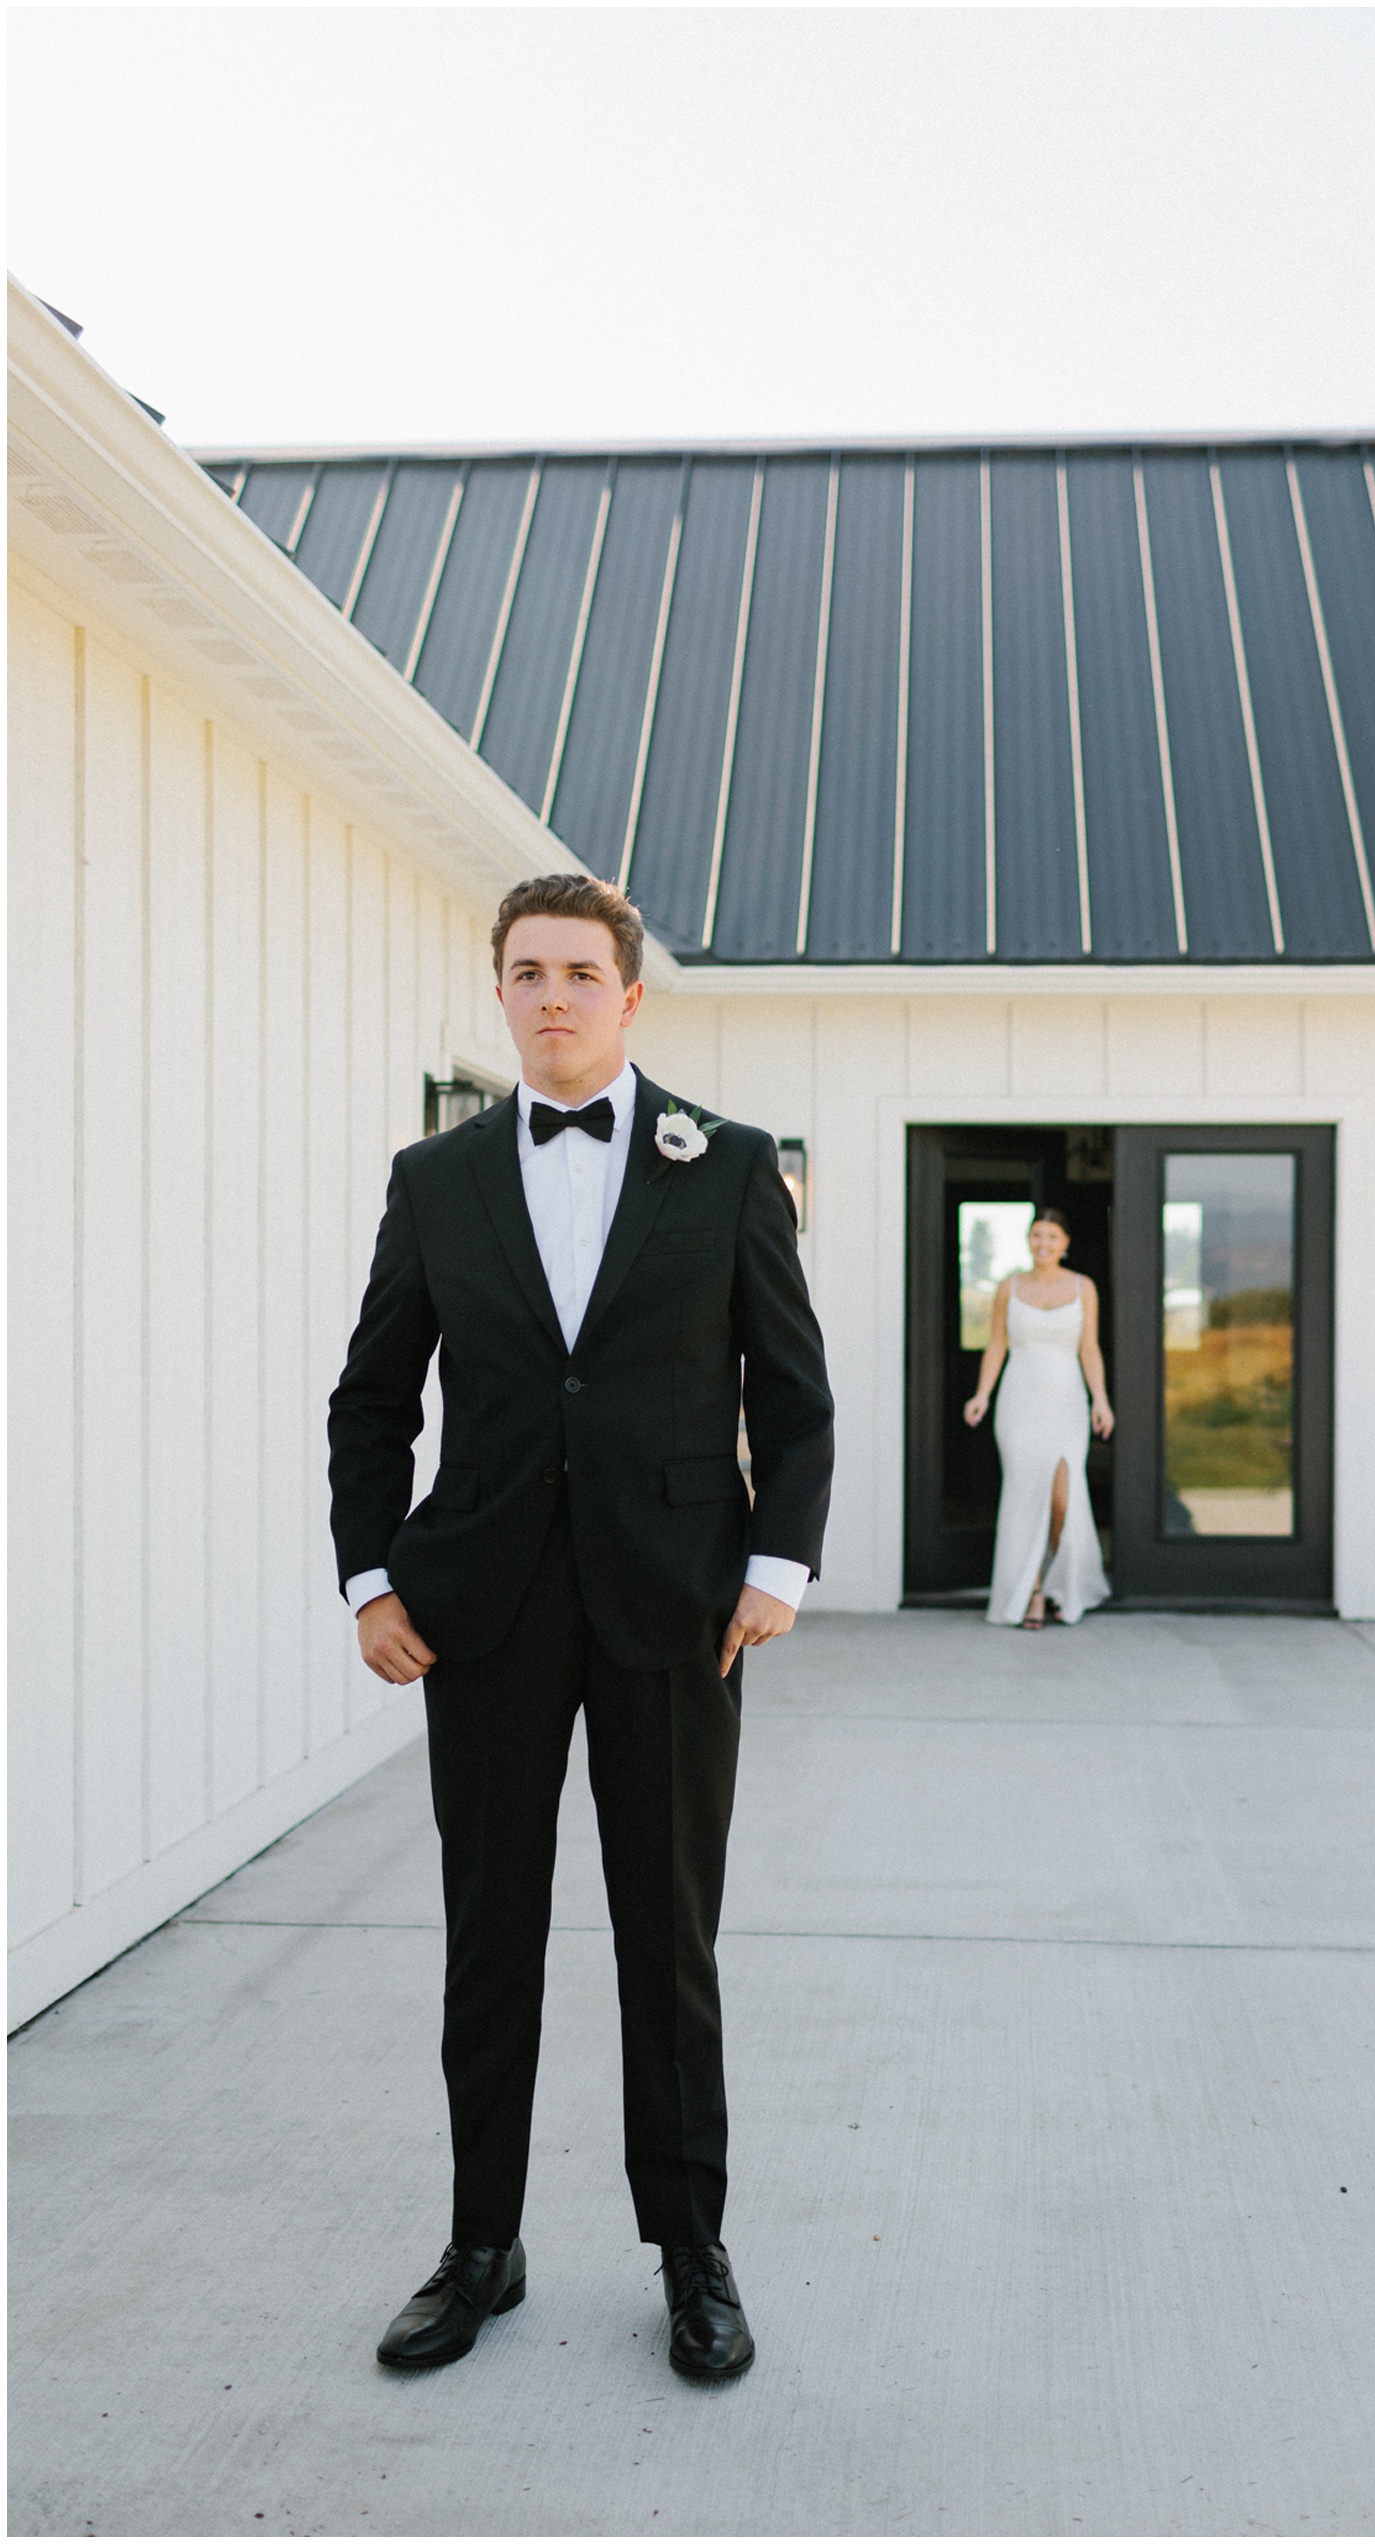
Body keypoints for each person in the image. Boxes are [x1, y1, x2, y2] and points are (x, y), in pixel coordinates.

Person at [328, 871, 833, 2382]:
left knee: (666, 1938)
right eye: (526, 971)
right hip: (476, 1611)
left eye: (578, 971)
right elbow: (371, 1401)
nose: (552, 994)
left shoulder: (730, 1166)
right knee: (490, 1936)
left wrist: (776, 1571)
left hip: (677, 1606)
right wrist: (372, 1579)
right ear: (501, 992)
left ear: (628, 996)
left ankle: (693, 2252)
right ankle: (483, 2244)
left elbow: (795, 1404)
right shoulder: (438, 1181)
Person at [964, 1209, 1112, 1628]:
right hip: (1018, 1402)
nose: (1042, 1243)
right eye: (1036, 1235)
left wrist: (1100, 1399)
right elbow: (996, 1345)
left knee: (1064, 1498)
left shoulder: (1084, 1288)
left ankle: (1061, 1581)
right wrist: (982, 1394)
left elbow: (1089, 1349)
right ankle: (1032, 1592)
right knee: (1024, 1495)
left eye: (1051, 1236)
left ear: (1065, 1243)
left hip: (1067, 1401)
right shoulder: (1008, 1288)